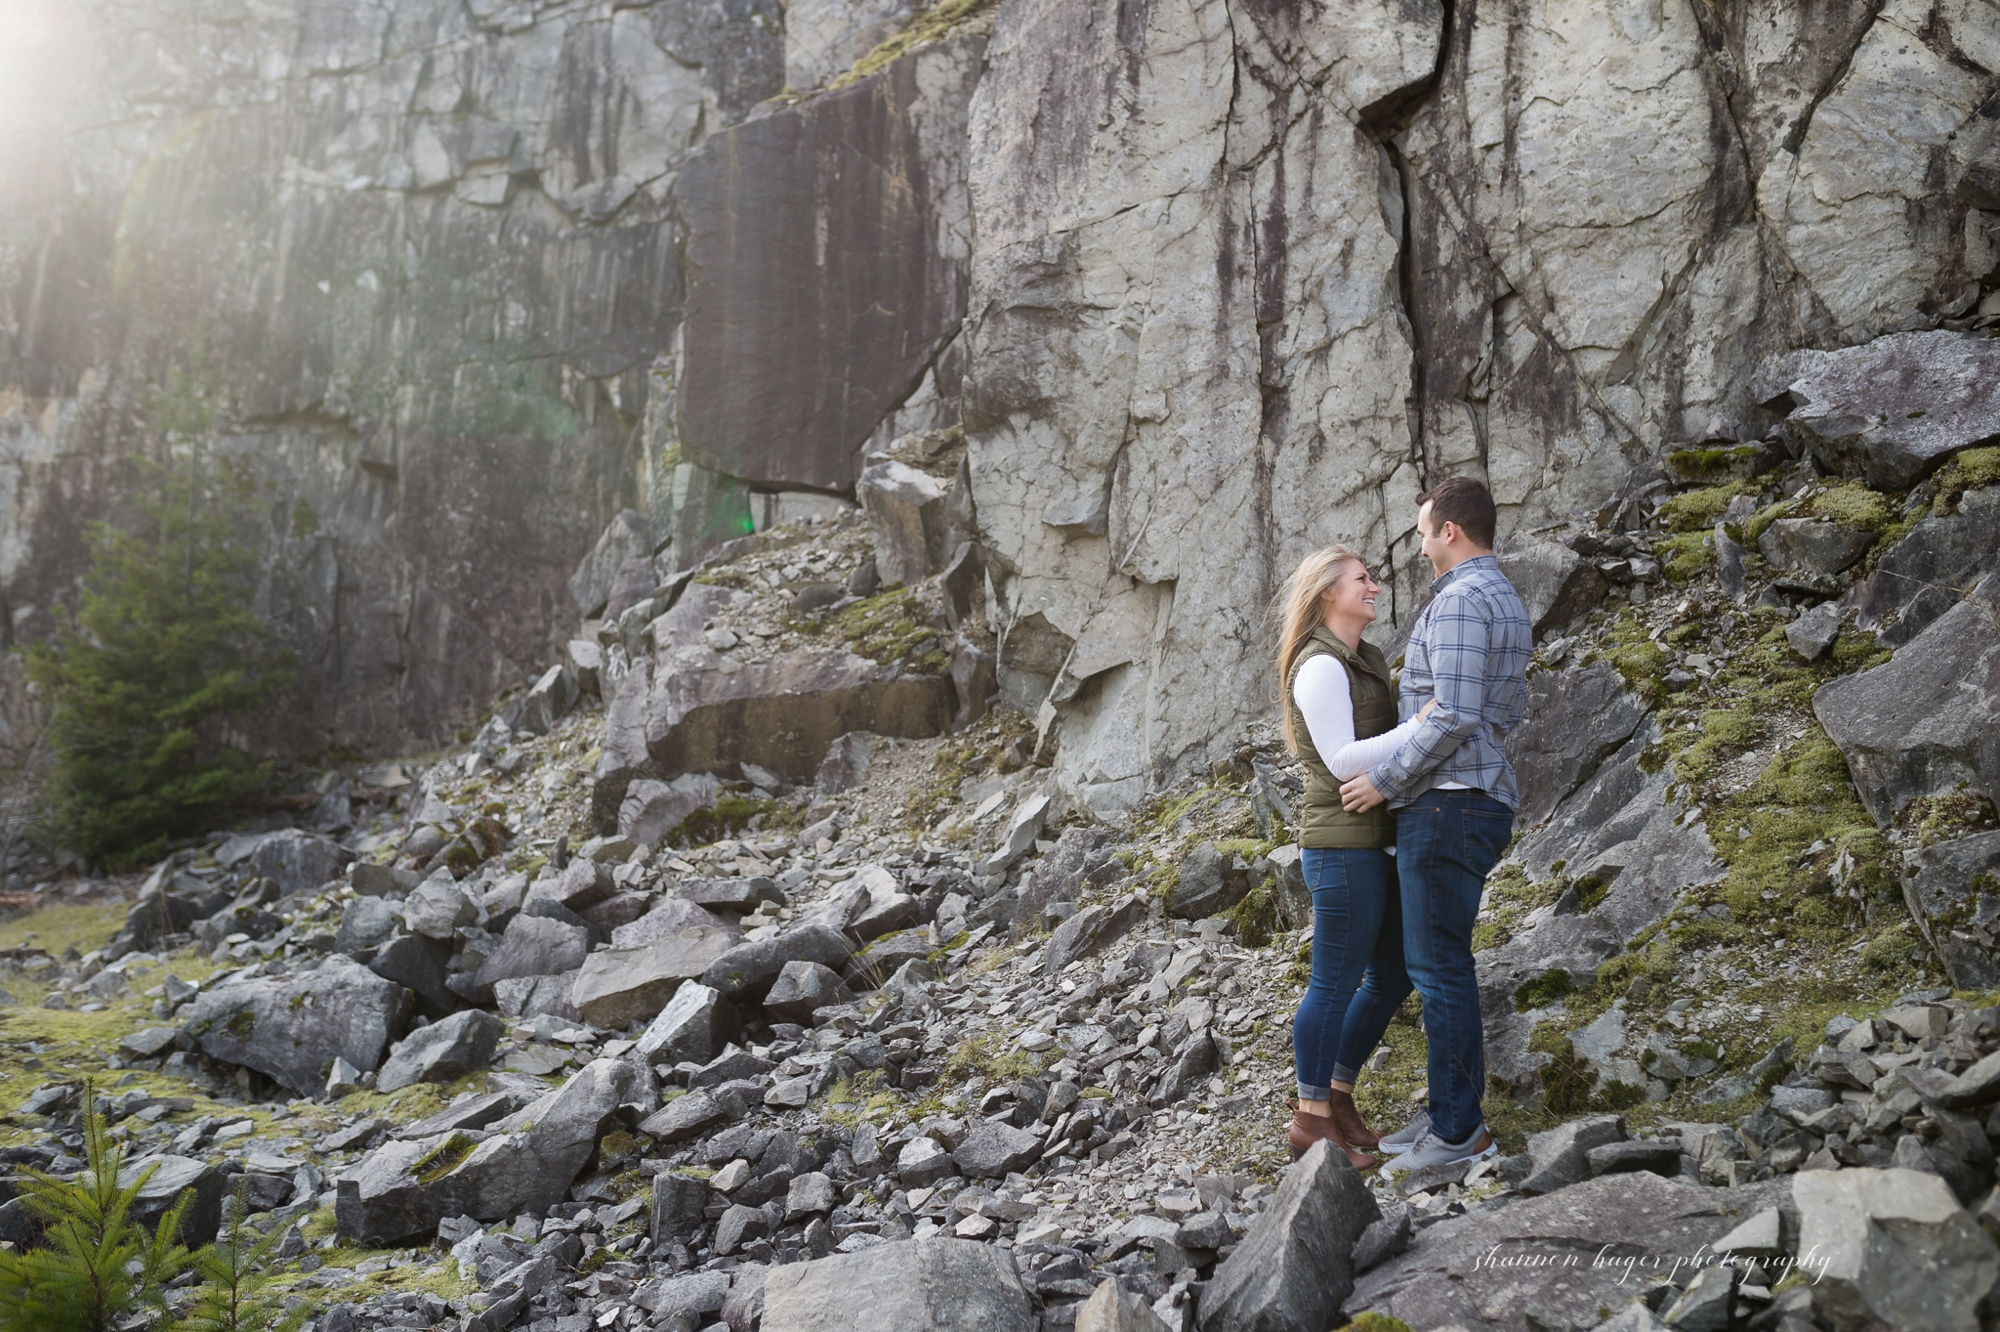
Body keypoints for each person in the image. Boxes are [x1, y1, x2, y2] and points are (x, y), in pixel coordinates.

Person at [1338, 476, 1530, 1178]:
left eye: (1422, 532)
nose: (1419, 547)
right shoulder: (1503, 595)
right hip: (1474, 796)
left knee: (1439, 967)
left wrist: (1382, 781)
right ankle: (1451, 1111)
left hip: (1449, 801)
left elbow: (1453, 713)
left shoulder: (1458, 601)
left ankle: (1458, 1132)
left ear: (1450, 530)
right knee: (1438, 962)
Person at [1276, 544, 1437, 1167]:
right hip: (1340, 848)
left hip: (1373, 842)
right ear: (1327, 594)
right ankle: (1311, 1120)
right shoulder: (1320, 665)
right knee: (1333, 983)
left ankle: (1338, 1096)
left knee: (1393, 973)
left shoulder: (1359, 657)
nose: (1374, 586)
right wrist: (1424, 723)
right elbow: (1343, 758)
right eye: (1361, 580)